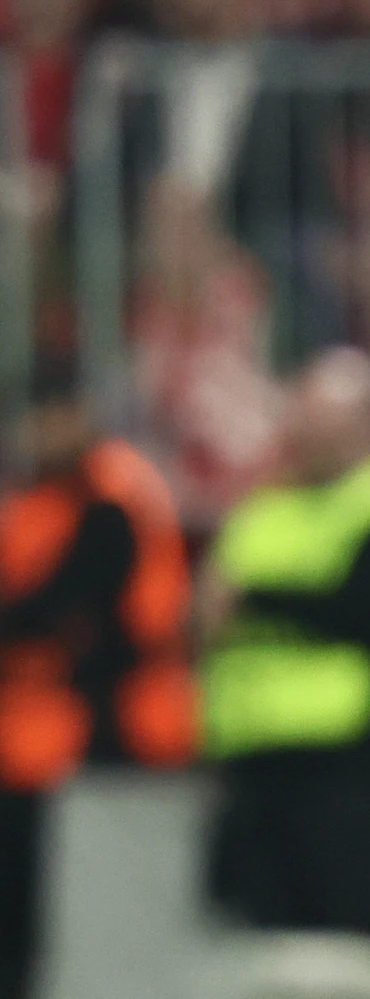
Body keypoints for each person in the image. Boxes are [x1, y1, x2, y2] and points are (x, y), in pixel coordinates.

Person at [198, 347, 370, 989]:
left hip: (351, 761)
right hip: (256, 759)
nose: (311, 432)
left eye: (330, 418)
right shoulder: (260, 512)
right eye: (305, 414)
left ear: (369, 425)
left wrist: (257, 600)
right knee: (273, 946)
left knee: (360, 939)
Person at [0, 365, 196, 999]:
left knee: (95, 931)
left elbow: (72, 608)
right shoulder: (40, 497)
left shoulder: (113, 494)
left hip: (112, 740)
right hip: (36, 745)